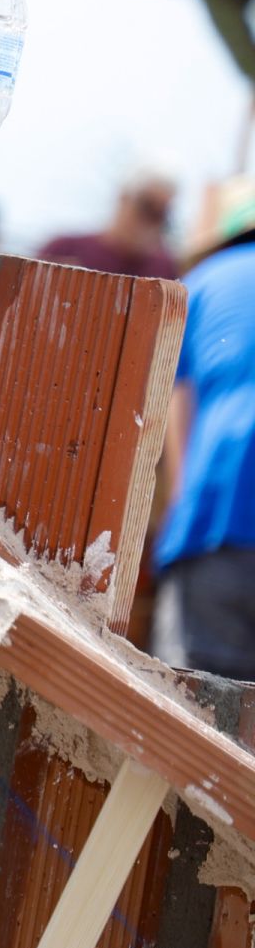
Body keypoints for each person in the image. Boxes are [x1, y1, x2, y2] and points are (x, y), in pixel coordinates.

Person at [151, 191, 255, 681]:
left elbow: (176, 412)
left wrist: (178, 509)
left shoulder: (203, 285)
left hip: (218, 519)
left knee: (194, 727)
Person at [36, 170, 180, 279]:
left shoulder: (165, 270)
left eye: (160, 214)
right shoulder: (64, 249)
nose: (149, 220)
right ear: (124, 198)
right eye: (146, 206)